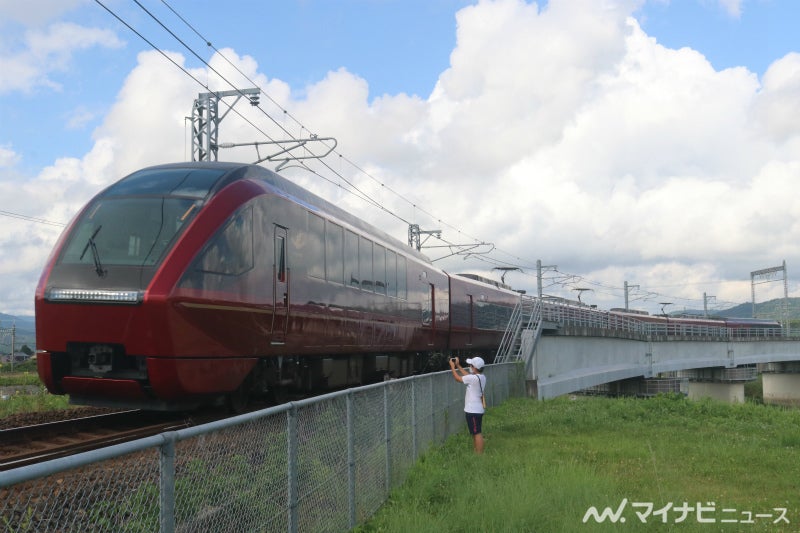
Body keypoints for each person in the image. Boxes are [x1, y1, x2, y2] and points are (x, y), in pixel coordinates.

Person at [448, 355, 486, 454]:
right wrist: (458, 365)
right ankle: (476, 451)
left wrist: (452, 366)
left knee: (477, 433)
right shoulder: (481, 377)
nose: (470, 366)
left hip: (473, 410)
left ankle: (479, 455)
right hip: (477, 409)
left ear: (475, 367)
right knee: (475, 432)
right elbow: (467, 376)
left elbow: (458, 378)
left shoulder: (474, 379)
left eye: (471, 365)